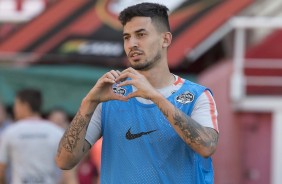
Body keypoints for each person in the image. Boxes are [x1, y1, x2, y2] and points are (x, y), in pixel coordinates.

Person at [56, 2, 219, 184]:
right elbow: (64, 161)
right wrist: (88, 103)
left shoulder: (197, 95)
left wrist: (155, 96)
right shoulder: (110, 97)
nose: (132, 44)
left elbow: (207, 147)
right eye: (127, 37)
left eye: (141, 35)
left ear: (165, 39)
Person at [0, 88, 67, 184]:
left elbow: (1, 170)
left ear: (25, 106)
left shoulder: (10, 132)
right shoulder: (57, 132)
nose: (14, 109)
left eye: (16, 104)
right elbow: (68, 173)